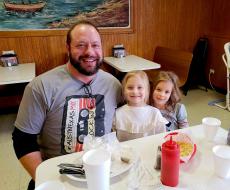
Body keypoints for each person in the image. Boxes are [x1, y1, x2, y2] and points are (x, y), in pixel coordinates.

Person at [12, 20, 122, 189]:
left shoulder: (113, 85)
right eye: (81, 45)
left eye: (95, 45)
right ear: (68, 48)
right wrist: (46, 181)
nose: (90, 52)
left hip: (101, 171)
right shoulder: (40, 87)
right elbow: (23, 140)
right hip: (57, 176)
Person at [113, 70, 168, 142]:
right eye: (130, 87)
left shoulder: (155, 113)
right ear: (124, 90)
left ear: (146, 90)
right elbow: (112, 140)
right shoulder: (118, 113)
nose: (135, 91)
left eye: (139, 87)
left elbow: (162, 139)